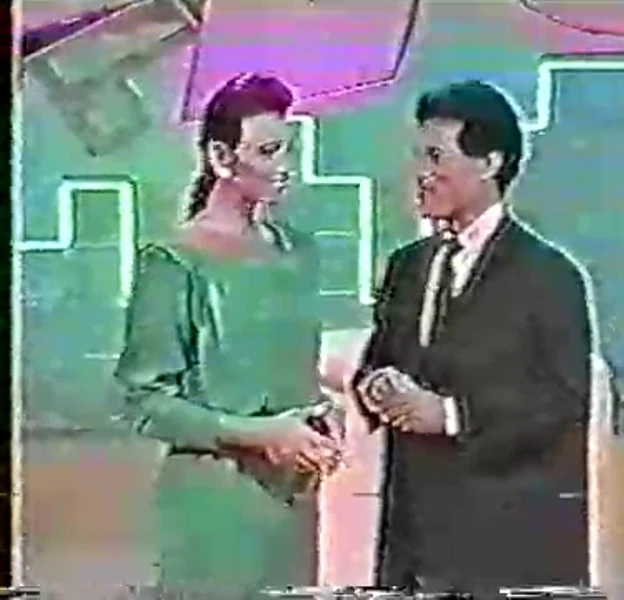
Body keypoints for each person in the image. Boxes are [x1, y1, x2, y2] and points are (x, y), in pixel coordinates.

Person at [349, 80, 596, 597]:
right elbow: (378, 361)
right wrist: (376, 386)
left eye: (436, 156)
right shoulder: (406, 266)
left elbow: (561, 402)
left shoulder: (549, 276)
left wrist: (449, 415)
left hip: (507, 551)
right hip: (414, 548)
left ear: (489, 163)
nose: (420, 173)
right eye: (418, 155)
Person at [113, 73, 343, 598]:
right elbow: (145, 402)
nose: (284, 165)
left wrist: (320, 413)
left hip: (292, 501)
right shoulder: (174, 261)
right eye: (268, 151)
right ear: (221, 157)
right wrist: (259, 433)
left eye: (287, 149)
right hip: (213, 507)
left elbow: (284, 372)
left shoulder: (297, 254)